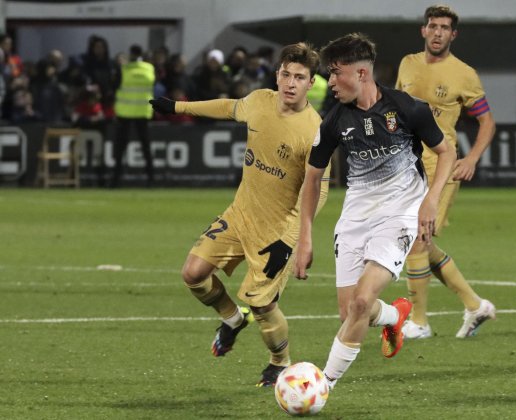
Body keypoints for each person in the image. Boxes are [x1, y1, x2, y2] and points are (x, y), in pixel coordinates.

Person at [149, 42, 331, 387]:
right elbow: (228, 107)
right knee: (193, 274)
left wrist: (294, 238)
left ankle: (280, 361)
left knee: (262, 307)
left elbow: (319, 188)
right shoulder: (260, 101)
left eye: (300, 77)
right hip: (240, 214)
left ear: (311, 83)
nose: (291, 82)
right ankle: (232, 319)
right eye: (287, 74)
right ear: (278, 75)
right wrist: (177, 106)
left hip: (276, 230)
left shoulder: (315, 130)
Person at [294, 33, 455, 390]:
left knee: (362, 301)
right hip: (355, 217)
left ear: (362, 73)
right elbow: (313, 178)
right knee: (350, 312)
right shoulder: (333, 121)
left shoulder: (408, 108)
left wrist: (430, 200)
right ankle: (396, 314)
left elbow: (447, 153)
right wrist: (305, 238)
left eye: (336, 73)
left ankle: (323, 385)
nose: (330, 82)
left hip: (399, 214)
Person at [395, 5, 497, 340]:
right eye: (433, 26)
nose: (437, 32)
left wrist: (472, 158)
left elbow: (487, 121)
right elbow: (394, 110)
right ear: (423, 30)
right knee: (418, 240)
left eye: (444, 28)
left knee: (417, 239)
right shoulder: (407, 64)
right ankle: (474, 304)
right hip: (405, 165)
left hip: (441, 166)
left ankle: (420, 322)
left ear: (453, 35)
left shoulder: (464, 74)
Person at [111, 44, 155, 187]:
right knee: (146, 147)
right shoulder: (149, 69)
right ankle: (151, 179)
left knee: (120, 147)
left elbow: (114, 86)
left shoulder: (123, 70)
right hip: (143, 111)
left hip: (125, 112)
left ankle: (116, 180)